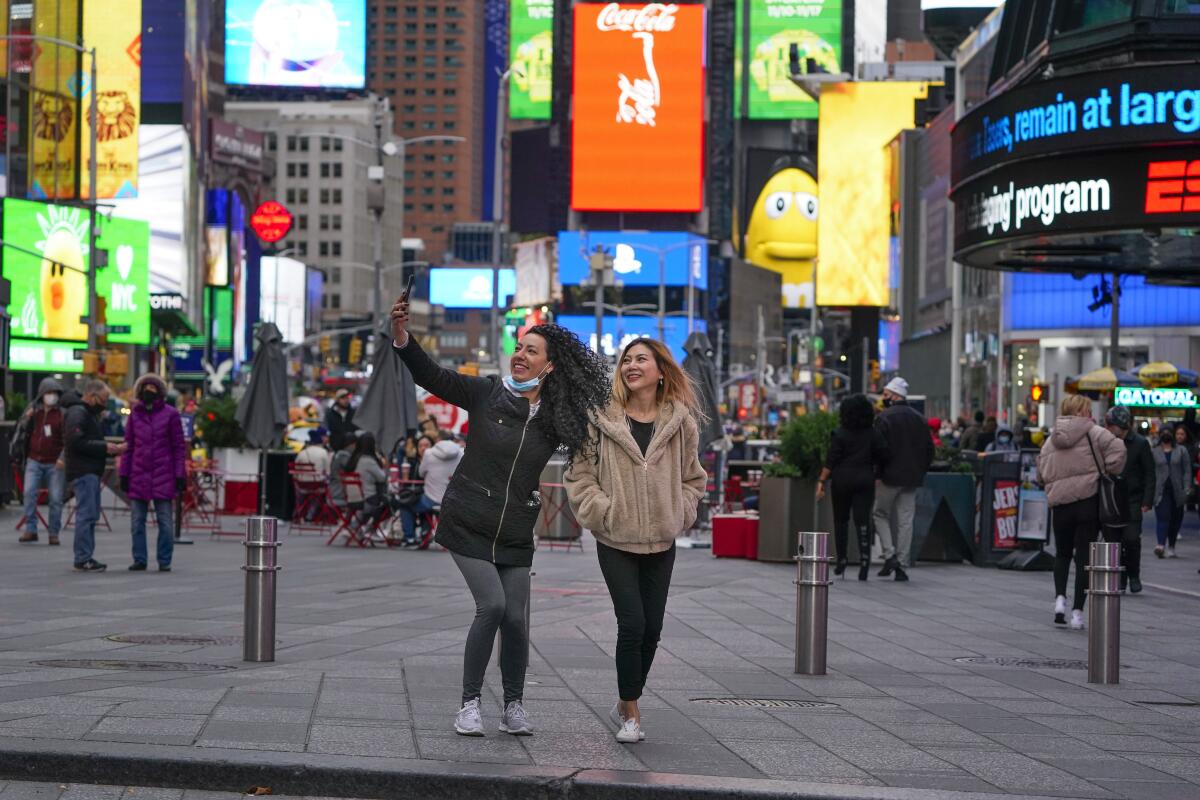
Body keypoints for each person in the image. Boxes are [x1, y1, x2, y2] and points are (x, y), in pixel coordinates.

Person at [391, 293, 609, 738]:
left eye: (531, 350)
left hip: (514, 529)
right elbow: (432, 375)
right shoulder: (486, 393)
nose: (520, 355)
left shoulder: (558, 417)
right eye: (519, 347)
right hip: (468, 518)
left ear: (550, 366)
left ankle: (514, 706)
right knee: (491, 605)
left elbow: (607, 431)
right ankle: (469, 704)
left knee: (515, 617)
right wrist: (402, 337)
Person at [564, 339, 706, 744]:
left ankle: (626, 697)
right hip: (615, 538)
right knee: (633, 624)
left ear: (661, 371)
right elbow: (578, 475)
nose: (631, 365)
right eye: (626, 359)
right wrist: (601, 511)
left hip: (662, 539)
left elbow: (694, 479)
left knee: (653, 629)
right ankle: (631, 711)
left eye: (641, 359)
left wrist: (680, 510)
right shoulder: (600, 419)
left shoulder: (681, 424)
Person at [1037, 394, 1124, 630]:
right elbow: (1119, 449)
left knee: (1062, 554)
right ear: (1084, 411)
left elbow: (1041, 471)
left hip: (1061, 506)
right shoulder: (1094, 432)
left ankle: (1059, 601)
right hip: (1088, 502)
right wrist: (1107, 469)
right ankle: (1077, 613)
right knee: (1084, 557)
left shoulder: (1052, 438)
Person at [815, 394, 888, 581]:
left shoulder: (840, 433)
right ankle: (864, 562)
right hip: (864, 478)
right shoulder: (872, 433)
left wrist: (821, 481)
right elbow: (883, 455)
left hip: (842, 479)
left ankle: (842, 560)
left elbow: (831, 460)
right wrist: (876, 472)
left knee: (841, 520)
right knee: (863, 521)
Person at [119, 374, 186, 572]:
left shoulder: (171, 414)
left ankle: (164, 560)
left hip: (163, 474)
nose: (149, 391)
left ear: (160, 392)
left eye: (153, 388)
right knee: (136, 522)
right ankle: (140, 559)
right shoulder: (134, 414)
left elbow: (178, 447)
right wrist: (124, 473)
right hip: (139, 475)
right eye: (145, 388)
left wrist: (180, 474)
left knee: (165, 521)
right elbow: (128, 446)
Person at [872, 377, 934, 582]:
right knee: (906, 520)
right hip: (912, 478)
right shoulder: (920, 419)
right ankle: (902, 563)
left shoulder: (884, 418)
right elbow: (929, 451)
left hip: (889, 477)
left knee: (880, 514)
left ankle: (889, 555)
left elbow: (878, 450)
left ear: (895, 395)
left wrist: (877, 473)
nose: (884, 398)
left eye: (887, 395)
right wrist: (920, 471)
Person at [65, 380, 126, 572]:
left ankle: (86, 556)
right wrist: (105, 447)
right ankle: (83, 558)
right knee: (86, 515)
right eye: (104, 399)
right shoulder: (78, 413)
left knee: (90, 514)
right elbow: (77, 442)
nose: (105, 403)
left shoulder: (87, 413)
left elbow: (84, 441)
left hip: (88, 470)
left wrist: (110, 449)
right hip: (84, 471)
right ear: (91, 396)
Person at [1104, 406, 1154, 594]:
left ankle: (1134, 574)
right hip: (1113, 498)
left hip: (1133, 499)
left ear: (1121, 425)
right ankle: (1122, 577)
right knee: (1115, 541)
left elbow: (1149, 473)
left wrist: (1147, 500)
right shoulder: (1108, 442)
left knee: (1131, 539)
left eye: (1111, 424)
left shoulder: (1140, 444)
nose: (1108, 428)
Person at [13, 378, 67, 545]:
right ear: (42, 394)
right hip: (34, 459)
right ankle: (31, 529)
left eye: (55, 393)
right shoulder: (33, 410)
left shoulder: (62, 414)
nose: (52, 396)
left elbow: (68, 438)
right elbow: (20, 429)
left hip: (55, 462)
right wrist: (26, 418)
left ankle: (53, 532)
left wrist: (63, 458)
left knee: (56, 498)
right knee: (29, 493)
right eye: (49, 393)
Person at [398, 430, 462, 547]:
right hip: (454, 501)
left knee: (405, 504)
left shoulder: (429, 453)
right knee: (420, 501)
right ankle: (424, 532)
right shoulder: (461, 452)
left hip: (432, 500)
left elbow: (421, 473)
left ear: (437, 440)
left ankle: (410, 537)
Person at [1152, 427, 1192, 559]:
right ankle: (1160, 545)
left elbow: (1187, 470)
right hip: (1161, 491)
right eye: (1163, 432)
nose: (1166, 434)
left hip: (1178, 490)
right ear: (1159, 435)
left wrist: (1186, 487)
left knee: (1175, 520)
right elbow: (1150, 472)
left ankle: (1171, 546)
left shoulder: (1181, 450)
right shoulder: (1154, 451)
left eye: (1169, 432)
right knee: (1163, 517)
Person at [346, 432, 389, 543]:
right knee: (390, 504)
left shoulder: (353, 459)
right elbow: (382, 478)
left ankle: (356, 525)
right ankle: (370, 529)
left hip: (352, 497)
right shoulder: (368, 461)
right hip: (367, 498)